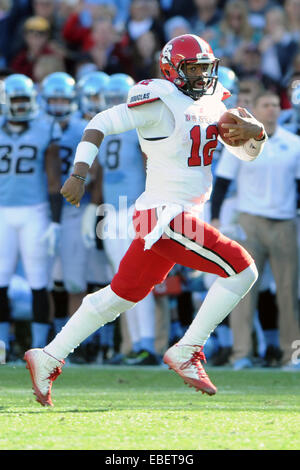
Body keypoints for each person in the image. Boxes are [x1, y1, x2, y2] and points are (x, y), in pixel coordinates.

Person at [24, 34, 266, 407]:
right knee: (242, 270)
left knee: (120, 295)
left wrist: (257, 135)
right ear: (173, 69)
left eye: (206, 67)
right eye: (194, 68)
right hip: (167, 215)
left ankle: (48, 356)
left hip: (178, 214)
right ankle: (187, 349)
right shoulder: (159, 100)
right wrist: (79, 173)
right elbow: (100, 122)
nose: (202, 75)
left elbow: (246, 154)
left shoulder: (214, 102)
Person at [211, 89, 300, 370]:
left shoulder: (294, 143)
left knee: (288, 293)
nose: (272, 109)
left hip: (285, 221)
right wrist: (215, 219)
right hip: (249, 221)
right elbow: (222, 183)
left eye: (275, 104)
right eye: (266, 104)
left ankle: (292, 355)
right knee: (242, 290)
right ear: (256, 110)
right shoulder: (241, 142)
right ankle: (242, 354)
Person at [83, 73, 158, 365]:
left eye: (118, 98)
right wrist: (95, 207)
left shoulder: (138, 127)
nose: (114, 104)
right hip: (112, 211)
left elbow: (150, 165)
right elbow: (100, 174)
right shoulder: (103, 129)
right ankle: (136, 344)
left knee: (139, 276)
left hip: (135, 207)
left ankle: (147, 344)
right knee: (122, 280)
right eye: (110, 99)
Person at [0, 73, 62, 356]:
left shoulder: (45, 128)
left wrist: (56, 219)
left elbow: (53, 179)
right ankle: (2, 343)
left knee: (39, 281)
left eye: (26, 99)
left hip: (35, 211)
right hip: (2, 211)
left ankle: (39, 346)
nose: (22, 106)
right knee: (0, 281)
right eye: (17, 100)